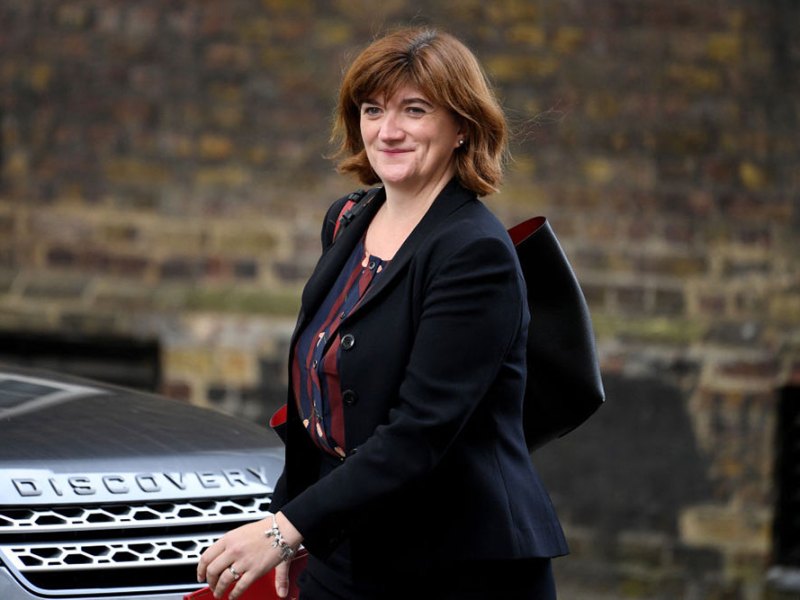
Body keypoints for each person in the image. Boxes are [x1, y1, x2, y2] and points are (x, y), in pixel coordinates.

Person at [197, 26, 568, 600]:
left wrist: (284, 532)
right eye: (373, 109)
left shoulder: (474, 253)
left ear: (461, 128)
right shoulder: (348, 219)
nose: (387, 131)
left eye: (414, 110)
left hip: (455, 563)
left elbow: (418, 433)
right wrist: (298, 521)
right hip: (348, 541)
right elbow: (315, 406)